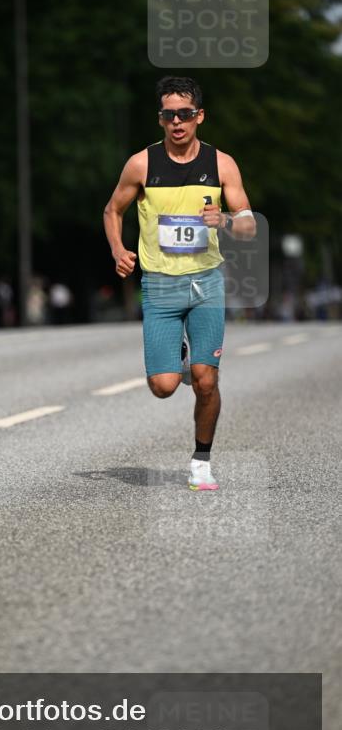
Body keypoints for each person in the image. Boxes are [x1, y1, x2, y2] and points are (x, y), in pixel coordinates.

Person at [103, 76, 256, 490]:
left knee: (207, 379)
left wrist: (224, 219)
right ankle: (182, 359)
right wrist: (119, 250)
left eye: (185, 114)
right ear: (160, 119)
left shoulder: (221, 164)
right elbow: (112, 210)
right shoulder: (142, 164)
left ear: (199, 117)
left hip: (206, 281)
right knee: (163, 386)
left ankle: (201, 461)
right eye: (169, 115)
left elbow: (247, 226)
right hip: (159, 285)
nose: (177, 123)